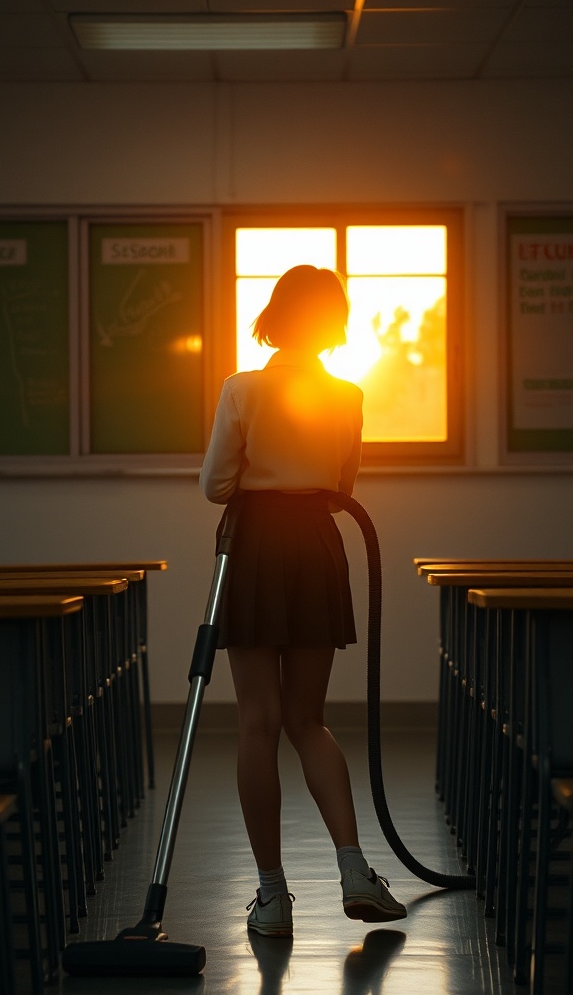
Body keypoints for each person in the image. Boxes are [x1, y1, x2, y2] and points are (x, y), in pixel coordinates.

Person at [199, 264, 406, 937]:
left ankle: (272, 897)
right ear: (332, 321)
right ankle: (354, 870)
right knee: (307, 720)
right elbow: (345, 479)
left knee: (257, 721)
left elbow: (215, 485)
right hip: (319, 545)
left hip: (256, 547)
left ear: (276, 314)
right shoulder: (346, 394)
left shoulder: (242, 388)